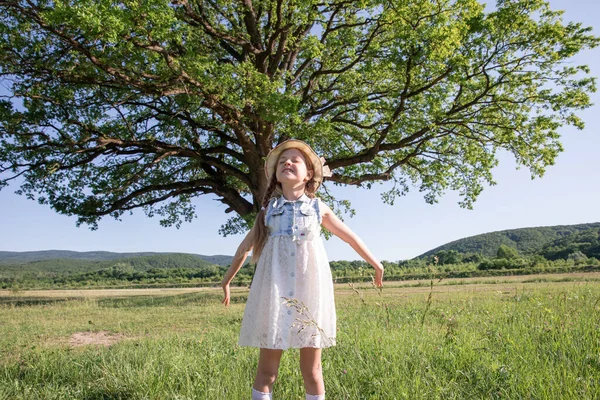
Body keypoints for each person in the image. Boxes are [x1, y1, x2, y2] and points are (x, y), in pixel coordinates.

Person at [221, 139, 384, 400]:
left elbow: (351, 237)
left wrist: (376, 263)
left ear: (308, 174)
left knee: (312, 371)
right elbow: (244, 248)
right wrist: (227, 280)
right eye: (283, 161)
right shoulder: (267, 211)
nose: (288, 162)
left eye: (295, 160)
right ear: (276, 175)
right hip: (274, 294)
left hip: (310, 293)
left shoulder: (317, 208)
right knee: (267, 372)